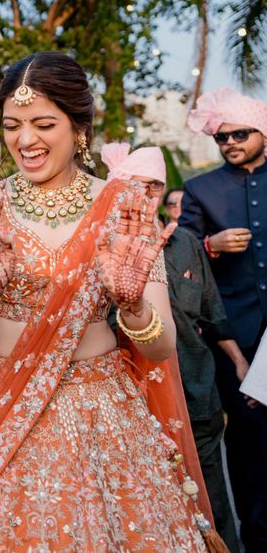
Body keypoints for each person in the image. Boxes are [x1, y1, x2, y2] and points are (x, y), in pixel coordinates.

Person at [0, 52, 224, 552]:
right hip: (3, 410)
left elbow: (161, 347)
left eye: (43, 124)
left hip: (99, 413)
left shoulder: (123, 206)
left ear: (79, 126)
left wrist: (133, 306)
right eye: (12, 125)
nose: (25, 140)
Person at [103, 142, 241, 551]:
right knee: (147, 501)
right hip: (131, 397)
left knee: (211, 496)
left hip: (196, 390)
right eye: (137, 185)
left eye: (156, 187)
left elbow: (213, 312)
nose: (147, 195)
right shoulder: (99, 247)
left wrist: (239, 362)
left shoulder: (185, 243)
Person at [181, 86, 267, 551]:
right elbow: (183, 261)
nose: (230, 142)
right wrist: (212, 247)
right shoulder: (201, 189)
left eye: (240, 134)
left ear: (263, 133)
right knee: (250, 452)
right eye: (221, 137)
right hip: (237, 342)